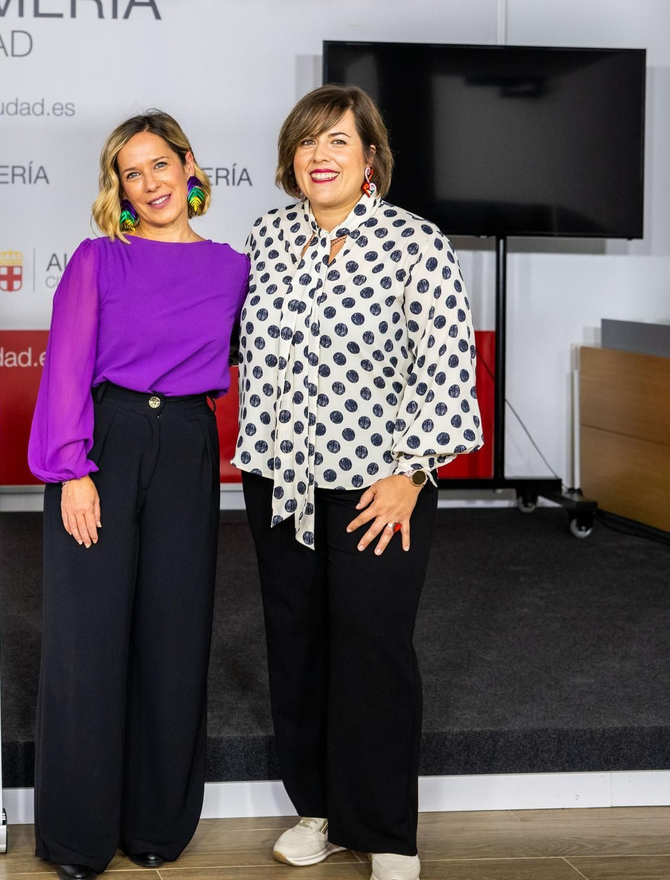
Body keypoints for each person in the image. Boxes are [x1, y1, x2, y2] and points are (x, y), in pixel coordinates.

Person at [235, 85, 483, 880]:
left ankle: (386, 833)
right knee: (297, 649)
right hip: (280, 480)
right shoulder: (269, 237)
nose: (321, 155)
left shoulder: (415, 243)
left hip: (379, 487)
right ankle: (322, 810)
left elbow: (447, 370)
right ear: (290, 158)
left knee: (373, 652)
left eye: (338, 141)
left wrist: (412, 474)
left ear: (369, 157)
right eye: (308, 142)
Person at [28, 111, 249, 878]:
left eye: (160, 164)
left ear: (189, 167)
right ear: (117, 188)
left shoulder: (233, 268)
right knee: (88, 643)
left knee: (174, 636)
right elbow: (65, 368)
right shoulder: (100, 259)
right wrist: (71, 470)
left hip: (188, 447)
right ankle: (79, 838)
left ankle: (158, 825)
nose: (150, 183)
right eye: (132, 172)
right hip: (105, 445)